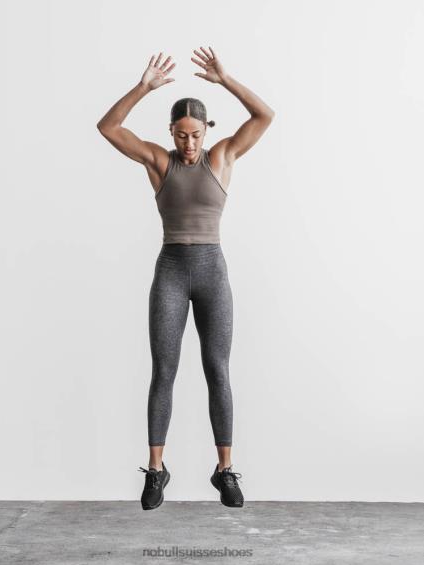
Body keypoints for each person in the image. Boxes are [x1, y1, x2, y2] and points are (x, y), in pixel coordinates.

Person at [96, 47, 274, 510]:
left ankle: (225, 470)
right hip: (172, 271)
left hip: (213, 272)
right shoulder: (160, 162)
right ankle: (156, 470)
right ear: (171, 134)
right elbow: (108, 127)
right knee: (165, 370)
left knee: (218, 370)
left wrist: (226, 79)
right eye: (181, 136)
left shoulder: (223, 157)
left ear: (206, 131)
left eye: (195, 135)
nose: (189, 145)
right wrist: (143, 87)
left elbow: (264, 115)